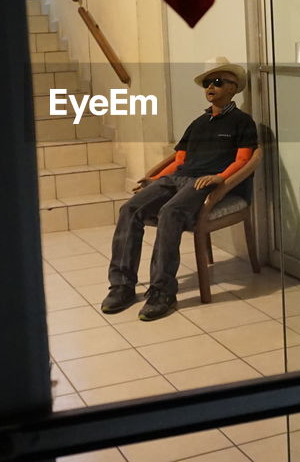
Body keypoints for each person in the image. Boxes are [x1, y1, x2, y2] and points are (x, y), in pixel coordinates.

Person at [101, 57, 258, 321]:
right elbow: (179, 161)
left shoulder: (242, 122)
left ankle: (163, 291)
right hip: (178, 178)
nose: (211, 87)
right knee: (130, 209)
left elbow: (244, 160)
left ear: (233, 88)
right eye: (208, 83)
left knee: (170, 212)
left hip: (204, 182)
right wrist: (155, 178)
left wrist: (219, 177)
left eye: (218, 82)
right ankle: (122, 285)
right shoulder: (197, 123)